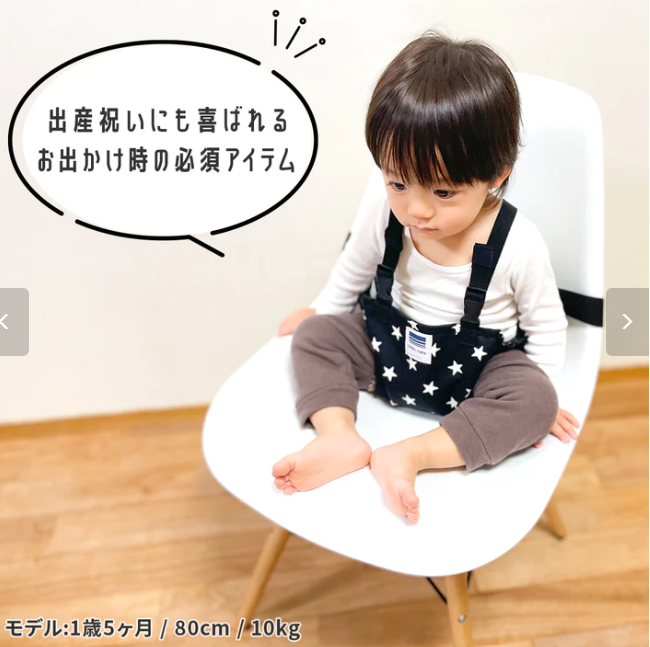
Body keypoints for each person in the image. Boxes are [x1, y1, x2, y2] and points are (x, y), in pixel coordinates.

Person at [271, 30, 580, 525]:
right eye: (398, 182)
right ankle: (339, 436)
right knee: (314, 336)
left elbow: (547, 325)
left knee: (535, 399)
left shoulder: (518, 243)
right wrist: (324, 310)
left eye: (442, 192)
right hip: (388, 348)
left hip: (479, 373)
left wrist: (543, 395)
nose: (416, 209)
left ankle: (413, 453)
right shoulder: (384, 211)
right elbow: (354, 267)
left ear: (496, 176)